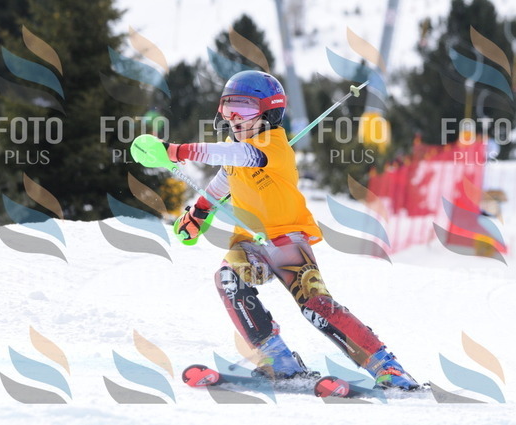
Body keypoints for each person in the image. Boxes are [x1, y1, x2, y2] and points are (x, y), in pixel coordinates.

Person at [164, 70, 419, 391]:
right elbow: (224, 178)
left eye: (244, 109)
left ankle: (387, 367)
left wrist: (177, 151)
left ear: (268, 114)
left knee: (316, 307)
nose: (234, 118)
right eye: (229, 108)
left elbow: (234, 156)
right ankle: (278, 360)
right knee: (228, 279)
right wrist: (199, 213)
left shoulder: (272, 145)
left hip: (287, 239)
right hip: (251, 241)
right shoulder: (234, 145)